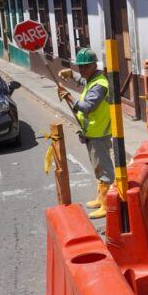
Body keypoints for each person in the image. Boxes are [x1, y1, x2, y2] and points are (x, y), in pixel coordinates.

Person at [57, 48, 114, 219]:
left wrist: (68, 96)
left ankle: (106, 204)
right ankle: (100, 197)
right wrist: (72, 74)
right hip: (92, 132)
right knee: (98, 167)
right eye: (80, 67)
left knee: (103, 168)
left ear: (94, 65)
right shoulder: (93, 78)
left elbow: (88, 106)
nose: (82, 70)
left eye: (85, 67)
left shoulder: (99, 85)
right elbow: (83, 80)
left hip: (98, 133)